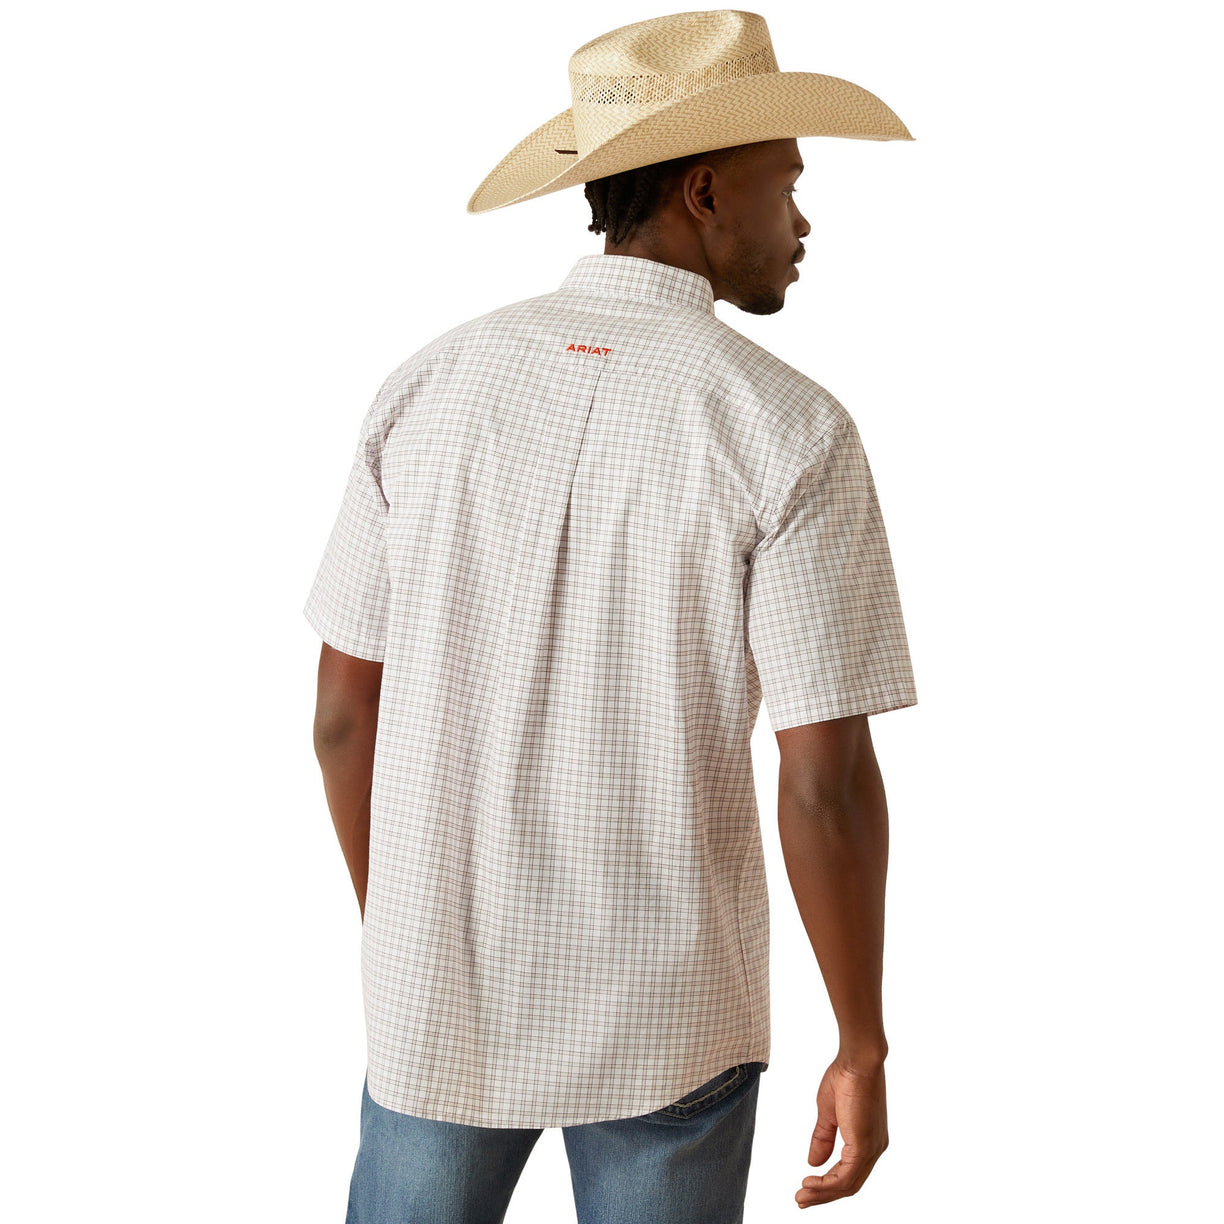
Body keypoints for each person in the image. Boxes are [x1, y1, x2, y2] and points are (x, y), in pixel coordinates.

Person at [304, 10, 918, 1222]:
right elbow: (824, 780)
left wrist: (410, 929)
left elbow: (338, 716)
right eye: (786, 186)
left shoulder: (426, 387)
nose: (803, 223)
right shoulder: (788, 430)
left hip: (439, 996)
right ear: (703, 191)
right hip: (668, 1003)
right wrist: (860, 1041)